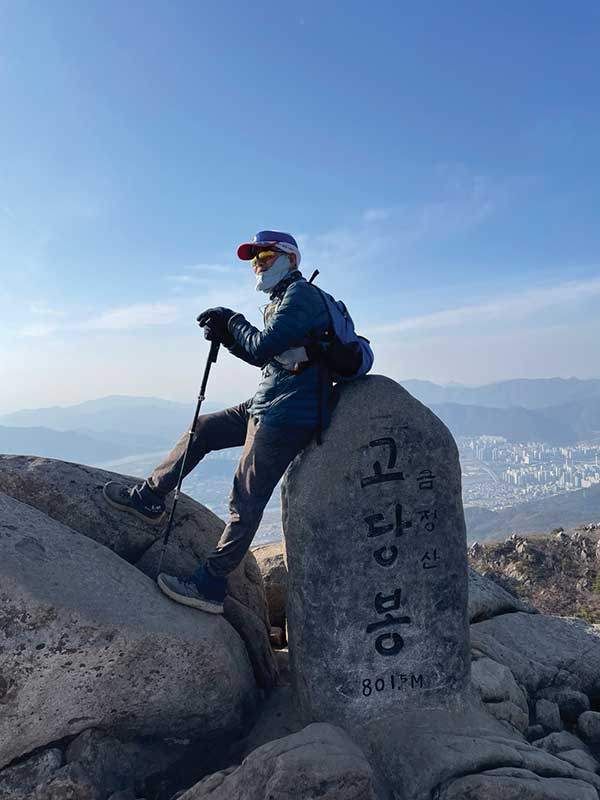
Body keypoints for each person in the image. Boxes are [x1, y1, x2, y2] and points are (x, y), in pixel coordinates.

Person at [102, 231, 332, 614]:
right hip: (270, 399)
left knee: (246, 496)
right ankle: (150, 498)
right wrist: (227, 335)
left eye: (266, 256)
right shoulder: (281, 300)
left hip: (289, 411)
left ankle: (210, 583)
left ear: (291, 259)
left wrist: (233, 320)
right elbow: (269, 356)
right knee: (205, 429)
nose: (258, 264)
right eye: (254, 259)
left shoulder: (301, 297)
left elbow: (260, 347)